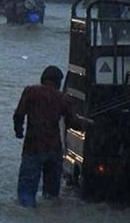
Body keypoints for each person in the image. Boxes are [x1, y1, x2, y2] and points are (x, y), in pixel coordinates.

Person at [13, 66, 81, 208]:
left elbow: (19, 115)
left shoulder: (30, 91)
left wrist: (19, 132)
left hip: (33, 147)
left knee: (26, 193)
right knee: (51, 196)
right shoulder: (63, 98)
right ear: (58, 82)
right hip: (54, 149)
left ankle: (28, 214)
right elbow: (72, 122)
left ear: (43, 78)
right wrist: (87, 123)